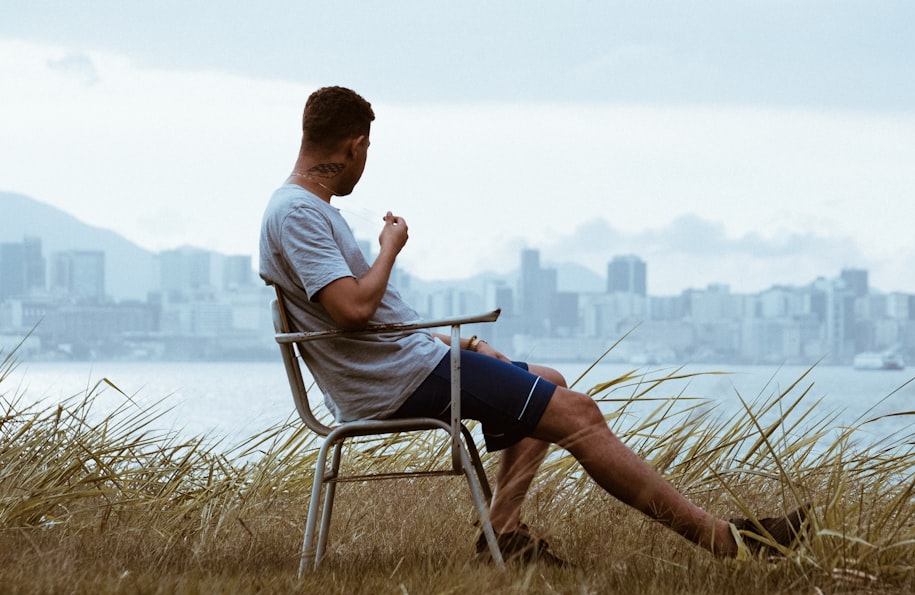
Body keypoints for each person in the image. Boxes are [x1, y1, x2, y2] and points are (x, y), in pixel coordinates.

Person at [259, 85, 809, 565]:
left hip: (404, 366)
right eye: (367, 151)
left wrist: (468, 342)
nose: (365, 163)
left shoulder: (305, 209)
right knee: (580, 415)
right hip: (395, 382)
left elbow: (373, 323)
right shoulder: (298, 212)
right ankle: (729, 543)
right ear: (355, 145)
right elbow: (352, 311)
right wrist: (389, 249)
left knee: (550, 382)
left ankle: (502, 534)